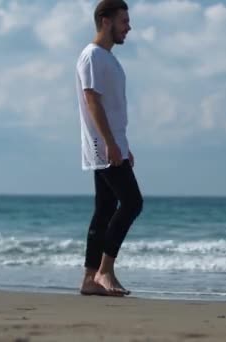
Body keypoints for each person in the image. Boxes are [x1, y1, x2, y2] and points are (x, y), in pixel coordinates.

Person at [75, 0, 142, 297]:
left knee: (104, 209)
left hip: (111, 145)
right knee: (132, 203)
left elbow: (112, 108)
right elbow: (92, 101)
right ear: (105, 21)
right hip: (104, 146)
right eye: (123, 20)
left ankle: (90, 278)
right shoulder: (92, 56)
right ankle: (105, 271)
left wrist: (123, 145)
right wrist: (110, 144)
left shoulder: (108, 58)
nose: (128, 26)